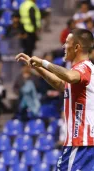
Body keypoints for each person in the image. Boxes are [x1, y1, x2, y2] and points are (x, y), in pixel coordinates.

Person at [15, 28, 94, 170]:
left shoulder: (83, 68)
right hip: (82, 142)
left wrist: (44, 63)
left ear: (77, 47)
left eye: (67, 43)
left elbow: (69, 77)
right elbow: (61, 84)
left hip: (81, 142)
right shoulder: (82, 70)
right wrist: (37, 67)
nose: (64, 46)